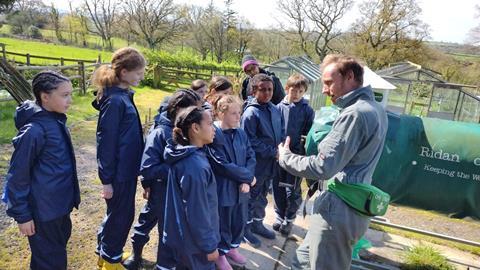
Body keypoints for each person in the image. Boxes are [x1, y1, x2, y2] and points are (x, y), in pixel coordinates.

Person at [278, 54, 388, 270]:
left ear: (349, 77)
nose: (324, 90)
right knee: (301, 261)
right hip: (349, 205)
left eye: (329, 82)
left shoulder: (355, 114)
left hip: (338, 211)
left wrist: (286, 157)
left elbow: (323, 166)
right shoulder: (376, 109)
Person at [3, 71, 80, 270]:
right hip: (43, 212)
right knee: (51, 262)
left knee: (51, 256)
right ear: (45, 96)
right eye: (64, 95)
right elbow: (17, 176)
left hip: (59, 208)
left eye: (70, 94)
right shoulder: (35, 131)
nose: (70, 100)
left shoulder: (56, 121)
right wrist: (23, 215)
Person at [123, 89, 203, 270]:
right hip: (160, 190)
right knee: (146, 221)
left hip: (178, 190)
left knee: (169, 229)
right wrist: (175, 171)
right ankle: (136, 253)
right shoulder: (160, 133)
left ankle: (165, 263)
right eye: (191, 110)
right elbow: (148, 166)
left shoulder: (185, 129)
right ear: (178, 109)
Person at [91, 47, 145, 270]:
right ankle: (111, 260)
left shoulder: (122, 96)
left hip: (127, 169)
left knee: (118, 214)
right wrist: (106, 180)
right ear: (123, 72)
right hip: (119, 173)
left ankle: (105, 253)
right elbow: (105, 143)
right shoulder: (114, 102)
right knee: (121, 216)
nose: (141, 77)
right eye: (138, 73)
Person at [163, 106, 219, 270]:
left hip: (184, 238)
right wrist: (209, 245)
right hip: (195, 245)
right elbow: (197, 211)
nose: (214, 128)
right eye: (210, 124)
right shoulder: (194, 166)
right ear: (195, 128)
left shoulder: (186, 155)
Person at [240, 73, 285, 247]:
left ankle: (258, 223)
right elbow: (249, 140)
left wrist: (281, 147)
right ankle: (246, 229)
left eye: (270, 89)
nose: (267, 93)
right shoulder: (251, 113)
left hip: (271, 164)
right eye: (263, 90)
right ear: (253, 91)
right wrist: (271, 151)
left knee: (263, 195)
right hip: (256, 165)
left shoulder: (274, 109)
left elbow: (280, 130)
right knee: (251, 197)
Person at [212, 95, 256, 269]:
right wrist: (246, 177)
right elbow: (222, 165)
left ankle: (232, 247)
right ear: (221, 114)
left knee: (239, 219)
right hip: (224, 188)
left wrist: (247, 179)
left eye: (239, 112)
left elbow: (250, 155)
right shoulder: (215, 136)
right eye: (233, 113)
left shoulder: (241, 133)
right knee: (224, 221)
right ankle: (220, 253)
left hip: (242, 189)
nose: (238, 117)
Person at [273, 74, 314, 236]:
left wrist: (301, 151)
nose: (296, 93)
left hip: (296, 156)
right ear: (286, 89)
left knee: (293, 189)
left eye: (300, 91)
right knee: (278, 187)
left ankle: (289, 219)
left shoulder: (307, 110)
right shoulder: (277, 108)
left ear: (304, 92)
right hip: (278, 154)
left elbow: (308, 134)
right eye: (293, 90)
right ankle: (278, 216)